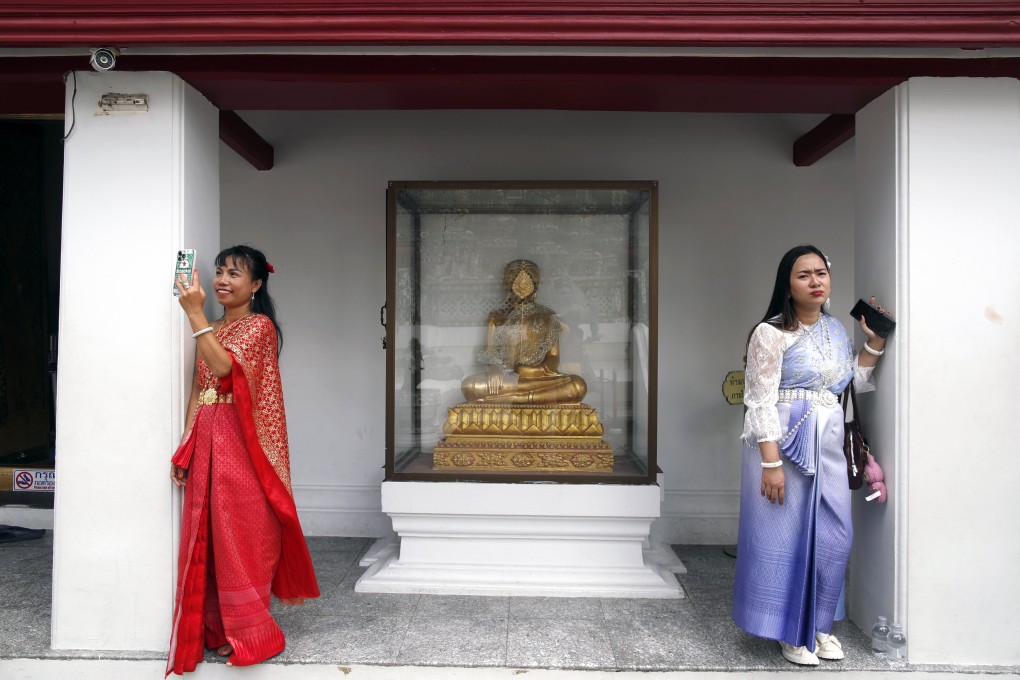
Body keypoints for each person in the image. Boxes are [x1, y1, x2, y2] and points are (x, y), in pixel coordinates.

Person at [732, 245, 889, 666]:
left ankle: (819, 625)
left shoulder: (836, 330)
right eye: (804, 275)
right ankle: (790, 632)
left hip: (829, 438)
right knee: (784, 537)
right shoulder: (770, 332)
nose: (815, 281)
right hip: (782, 442)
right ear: (787, 285)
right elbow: (759, 400)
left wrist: (875, 342)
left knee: (835, 535)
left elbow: (852, 382)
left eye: (821, 273)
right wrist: (771, 463)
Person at [167, 245, 319, 675]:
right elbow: (199, 387)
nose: (222, 280)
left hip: (242, 443)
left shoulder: (259, 327)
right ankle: (218, 630)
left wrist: (193, 312)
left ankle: (255, 634)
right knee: (209, 533)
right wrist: (186, 444)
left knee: (242, 532)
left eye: (234, 273)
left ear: (255, 285)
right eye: (219, 271)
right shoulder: (213, 327)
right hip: (208, 436)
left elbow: (221, 368)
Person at [460, 259, 587, 404]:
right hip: (506, 379)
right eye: (517, 280)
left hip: (537, 378)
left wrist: (534, 371)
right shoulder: (496, 317)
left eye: (528, 280)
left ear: (535, 284)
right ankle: (530, 400)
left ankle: (510, 399)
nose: (522, 284)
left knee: (577, 386)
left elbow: (553, 357)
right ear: (508, 284)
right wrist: (495, 371)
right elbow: (490, 353)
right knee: (469, 386)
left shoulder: (547, 316)